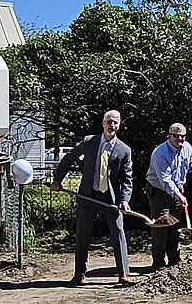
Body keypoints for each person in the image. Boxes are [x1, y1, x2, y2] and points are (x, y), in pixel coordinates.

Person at [50, 109, 136, 286]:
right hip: (88, 196)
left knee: (119, 234)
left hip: (111, 200)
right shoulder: (89, 142)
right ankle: (79, 274)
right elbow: (68, 159)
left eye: (115, 123)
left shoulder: (124, 150)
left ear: (119, 126)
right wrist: (57, 180)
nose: (111, 125)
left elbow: (127, 179)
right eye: (109, 122)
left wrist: (125, 200)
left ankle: (124, 274)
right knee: (82, 235)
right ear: (103, 123)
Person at [145, 122, 192, 270]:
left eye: (182, 136)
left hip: (177, 189)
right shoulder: (160, 153)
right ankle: (158, 262)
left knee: (175, 225)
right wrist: (178, 194)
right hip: (159, 190)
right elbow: (165, 179)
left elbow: (189, 165)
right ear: (169, 136)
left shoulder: (187, 148)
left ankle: (174, 258)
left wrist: (180, 188)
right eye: (176, 136)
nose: (179, 139)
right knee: (161, 225)